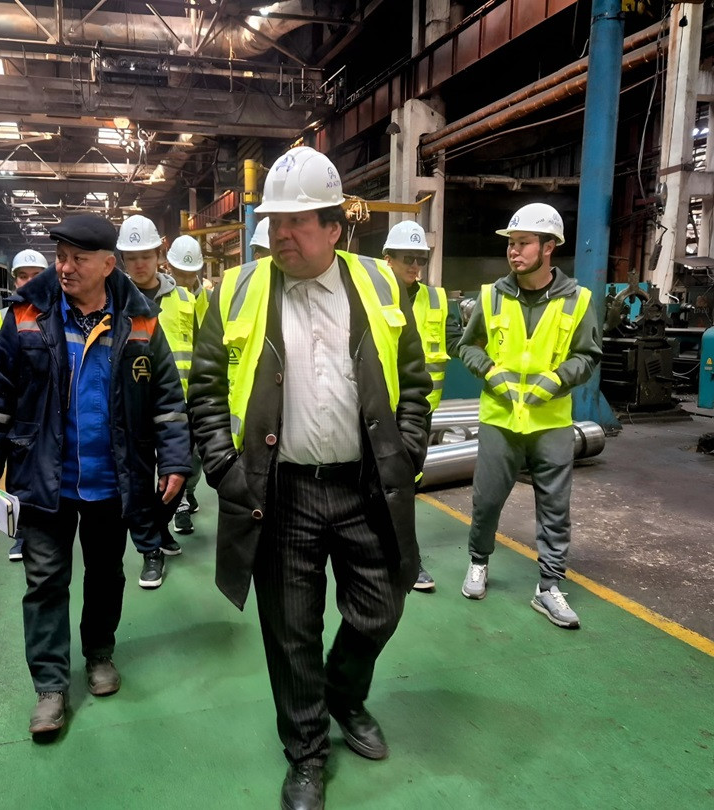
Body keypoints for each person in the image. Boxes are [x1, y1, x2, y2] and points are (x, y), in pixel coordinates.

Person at [189, 146, 432, 810]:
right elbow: (204, 391)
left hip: (363, 485)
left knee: (380, 605)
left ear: (333, 227)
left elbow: (415, 382)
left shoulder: (381, 285)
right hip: (280, 492)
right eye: (275, 221)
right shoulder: (236, 290)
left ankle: (343, 695)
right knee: (291, 631)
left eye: (296, 222)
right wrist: (225, 469)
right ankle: (305, 754)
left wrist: (406, 452)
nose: (281, 235)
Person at [0, 214, 191, 736]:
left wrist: (176, 459)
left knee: (106, 574)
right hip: (44, 477)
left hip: (113, 479)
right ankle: (50, 686)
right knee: (45, 581)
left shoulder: (140, 320)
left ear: (108, 264)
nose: (64, 268)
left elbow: (166, 399)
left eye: (78, 259)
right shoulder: (28, 314)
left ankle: (99, 654)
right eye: (61, 257)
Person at [455, 202, 601, 629]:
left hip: (550, 421)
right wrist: (490, 372)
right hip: (500, 418)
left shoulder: (578, 300)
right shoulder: (491, 296)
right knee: (486, 499)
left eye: (523, 243)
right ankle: (478, 562)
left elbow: (588, 355)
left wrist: (556, 380)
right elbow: (466, 345)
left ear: (549, 246)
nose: (513, 251)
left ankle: (549, 587)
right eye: (511, 244)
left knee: (555, 507)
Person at [381, 220, 464, 593]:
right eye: (408, 258)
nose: (415, 266)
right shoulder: (371, 296)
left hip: (418, 410)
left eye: (421, 259)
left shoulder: (436, 299)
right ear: (388, 258)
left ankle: (406, 558)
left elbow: (454, 340)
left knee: (406, 483)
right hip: (378, 408)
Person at [117, 215, 196, 586]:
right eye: (131, 258)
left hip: (179, 406)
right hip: (131, 406)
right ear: (121, 259)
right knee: (136, 480)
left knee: (178, 472)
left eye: (145, 256)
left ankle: (160, 527)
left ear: (159, 255)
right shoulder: (115, 302)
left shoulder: (186, 299)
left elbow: (207, 349)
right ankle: (151, 550)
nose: (139, 264)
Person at [0, 248, 47, 561]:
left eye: (36, 276)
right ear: (14, 281)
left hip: (44, 408)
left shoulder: (58, 314)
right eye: (23, 276)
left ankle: (42, 533)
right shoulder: (1, 318)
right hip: (18, 410)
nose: (29, 281)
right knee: (20, 475)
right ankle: (21, 536)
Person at [165, 234, 207, 535]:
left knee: (198, 455)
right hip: (170, 394)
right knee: (175, 455)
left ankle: (188, 491)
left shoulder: (207, 300)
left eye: (191, 273)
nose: (186, 279)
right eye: (181, 273)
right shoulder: (162, 301)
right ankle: (178, 505)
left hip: (201, 393)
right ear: (169, 268)